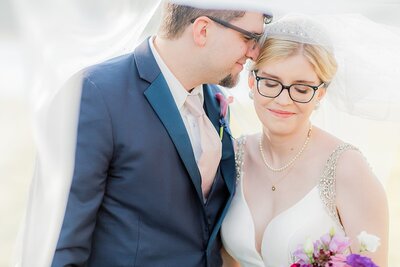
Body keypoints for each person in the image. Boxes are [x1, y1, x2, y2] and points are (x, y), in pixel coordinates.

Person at [49, 1, 273, 266]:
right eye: (249, 38)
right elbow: (63, 244)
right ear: (203, 30)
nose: (255, 53)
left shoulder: (214, 100)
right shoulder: (95, 94)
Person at [221, 14, 389, 267]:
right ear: (252, 82)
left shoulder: (348, 169)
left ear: (320, 93)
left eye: (301, 89)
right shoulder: (232, 155)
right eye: (271, 82)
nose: (283, 100)